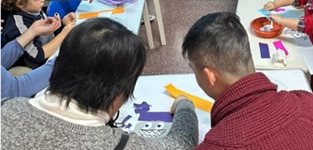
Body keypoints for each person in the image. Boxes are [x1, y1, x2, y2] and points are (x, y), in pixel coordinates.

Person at [1, 18, 199, 150]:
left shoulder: (5, 105)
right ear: (119, 93)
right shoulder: (119, 145)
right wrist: (185, 106)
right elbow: (180, 144)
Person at [182, 12, 313, 149]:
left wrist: (184, 110)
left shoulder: (217, 144)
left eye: (194, 69)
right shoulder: (310, 103)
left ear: (210, 76)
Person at [1, 0, 62, 98]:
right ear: (20, 3)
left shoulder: (35, 12)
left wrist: (34, 31)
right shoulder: (17, 23)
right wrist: (64, 35)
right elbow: (15, 88)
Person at [2, 0, 76, 68]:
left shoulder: (34, 10)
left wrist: (62, 25)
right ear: (20, 3)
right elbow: (38, 56)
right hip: (35, 69)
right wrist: (64, 34)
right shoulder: (18, 26)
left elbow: (47, 38)